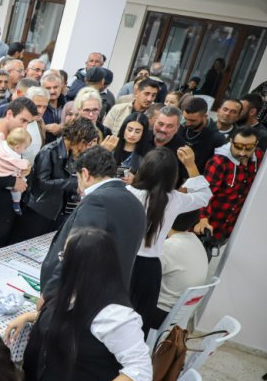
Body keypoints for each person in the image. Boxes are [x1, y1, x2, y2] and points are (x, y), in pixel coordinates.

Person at [6, 228, 152, 381]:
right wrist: (30, 316)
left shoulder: (116, 317)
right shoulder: (74, 289)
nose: (61, 262)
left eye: (64, 256)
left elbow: (141, 370)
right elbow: (70, 322)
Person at [39, 146, 146, 294]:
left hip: (82, 295)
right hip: (112, 292)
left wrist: (50, 293)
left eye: (77, 178)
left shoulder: (96, 200)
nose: (79, 185)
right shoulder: (135, 203)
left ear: (85, 174)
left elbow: (75, 253)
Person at [125, 146, 211, 330]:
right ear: (173, 176)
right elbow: (205, 196)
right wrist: (191, 165)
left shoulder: (129, 193)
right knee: (137, 322)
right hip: (150, 269)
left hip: (126, 263)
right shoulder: (175, 199)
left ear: (144, 170)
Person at [195, 126, 262, 243]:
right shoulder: (219, 162)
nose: (242, 152)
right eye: (238, 146)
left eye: (249, 148)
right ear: (231, 141)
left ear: (256, 144)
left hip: (229, 228)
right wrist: (203, 218)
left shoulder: (259, 158)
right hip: (208, 226)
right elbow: (205, 193)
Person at [155, 211, 209, 326]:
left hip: (160, 313)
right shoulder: (195, 241)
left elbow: (145, 277)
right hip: (178, 313)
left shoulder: (170, 246)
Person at [0, 127, 31, 215]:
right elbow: (20, 165)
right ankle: (16, 203)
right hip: (4, 176)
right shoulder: (14, 157)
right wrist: (26, 164)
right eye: (25, 148)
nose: (25, 150)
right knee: (20, 185)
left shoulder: (1, 145)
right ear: (17, 147)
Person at [113, 113, 151, 180]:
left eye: (137, 132)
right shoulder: (112, 147)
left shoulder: (147, 155)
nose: (132, 134)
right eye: (129, 130)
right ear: (124, 129)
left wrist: (135, 180)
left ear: (143, 133)